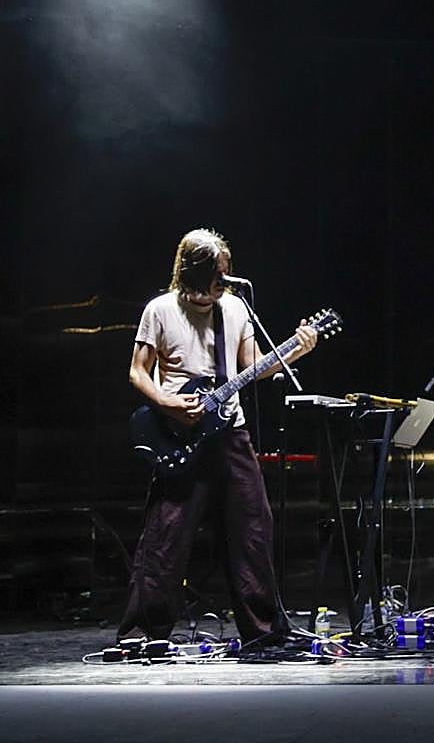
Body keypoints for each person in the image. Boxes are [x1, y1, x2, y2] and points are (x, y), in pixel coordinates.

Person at [118, 228, 318, 647]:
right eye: (214, 274)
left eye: (225, 273)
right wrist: (168, 404)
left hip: (229, 431)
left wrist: (295, 350)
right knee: (165, 538)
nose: (222, 282)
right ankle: (141, 635)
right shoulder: (160, 310)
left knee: (253, 529)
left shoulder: (235, 310)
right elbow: (138, 372)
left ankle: (262, 633)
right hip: (178, 434)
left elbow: (252, 367)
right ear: (190, 272)